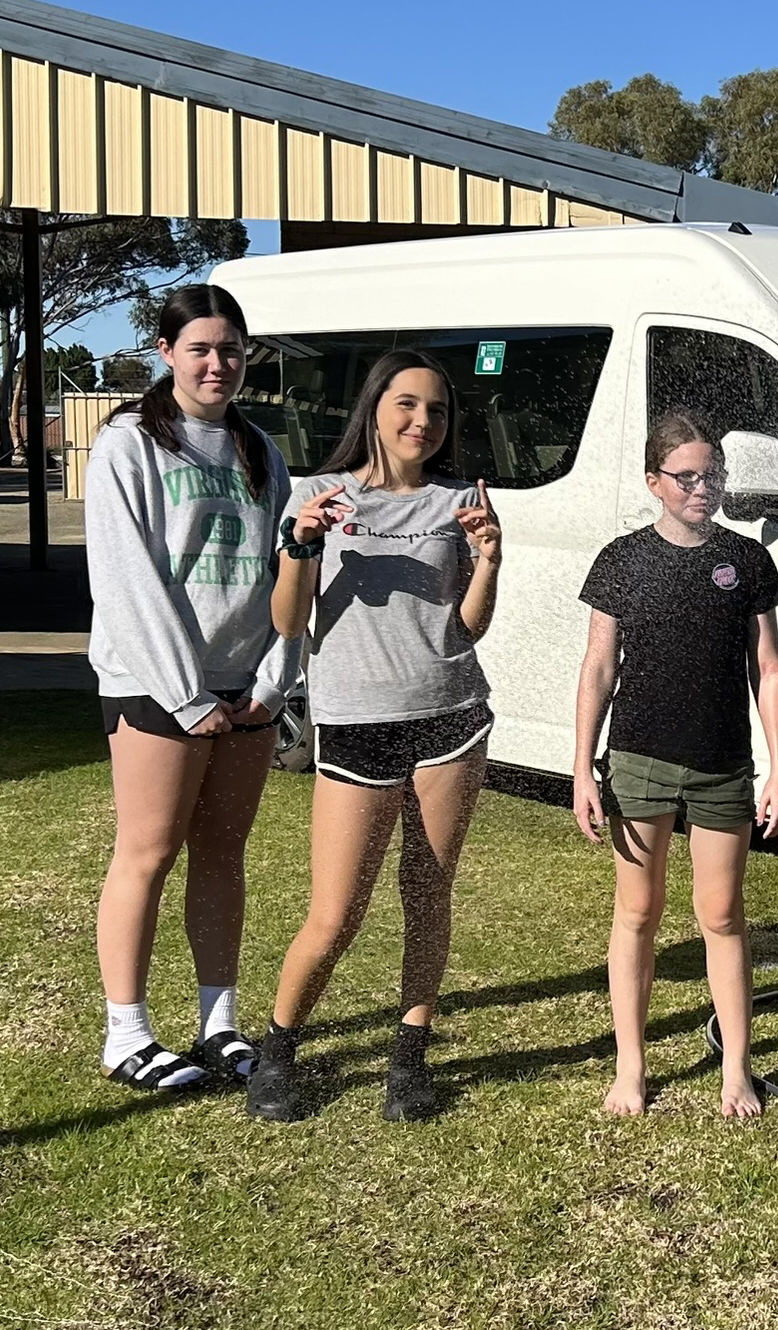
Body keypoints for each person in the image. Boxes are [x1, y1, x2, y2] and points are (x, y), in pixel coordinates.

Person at [245, 350, 503, 1123]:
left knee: (427, 897)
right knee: (336, 912)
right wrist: (301, 544)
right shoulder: (319, 496)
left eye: (438, 410)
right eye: (407, 404)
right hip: (358, 725)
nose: (423, 421)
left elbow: (468, 627)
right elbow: (289, 624)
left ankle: (408, 1055)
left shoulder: (463, 502)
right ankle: (278, 1049)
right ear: (375, 407)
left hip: (450, 717)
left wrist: (490, 558)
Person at [86, 284, 297, 1092]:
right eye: (201, 348)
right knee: (147, 853)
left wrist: (273, 683)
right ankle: (126, 1034)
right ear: (166, 352)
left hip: (244, 691)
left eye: (232, 349)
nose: (218, 363)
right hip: (156, 687)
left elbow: (288, 574)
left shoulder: (259, 450)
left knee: (222, 856)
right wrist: (186, 694)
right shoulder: (129, 444)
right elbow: (127, 580)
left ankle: (218, 1024)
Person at [572, 408, 778, 1119]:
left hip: (722, 763)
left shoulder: (748, 561)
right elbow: (598, 667)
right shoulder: (623, 560)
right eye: (688, 477)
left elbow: (769, 667)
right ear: (654, 481)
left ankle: (736, 1068)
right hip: (637, 760)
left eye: (713, 476)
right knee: (637, 911)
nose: (704, 488)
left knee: (723, 915)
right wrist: (582, 768)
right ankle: (631, 1067)